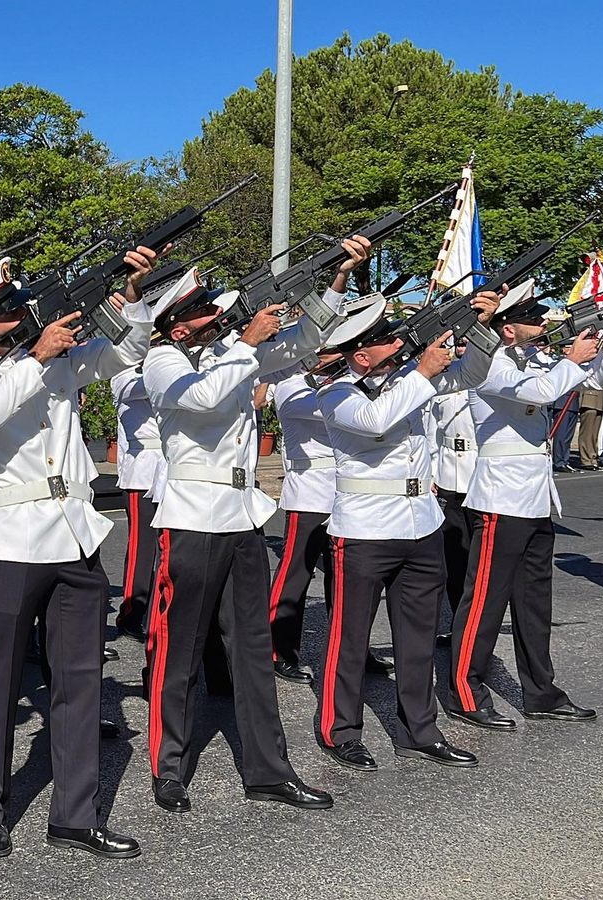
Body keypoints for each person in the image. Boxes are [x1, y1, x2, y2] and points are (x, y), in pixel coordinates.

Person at [0, 243, 159, 861]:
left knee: (82, 680)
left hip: (75, 533)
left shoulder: (57, 359)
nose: (22, 312)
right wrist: (36, 356)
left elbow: (126, 349)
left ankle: (75, 814)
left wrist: (133, 293)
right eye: (6, 308)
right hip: (12, 538)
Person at [141, 244, 362, 815]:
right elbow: (205, 401)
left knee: (253, 648)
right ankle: (169, 767)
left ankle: (268, 769)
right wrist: (245, 343)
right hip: (191, 517)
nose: (218, 318)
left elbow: (305, 342)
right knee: (179, 648)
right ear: (175, 324)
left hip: (241, 513)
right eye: (204, 314)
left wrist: (335, 280)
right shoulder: (163, 360)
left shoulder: (229, 353)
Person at [315, 285, 500, 771]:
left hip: (422, 525)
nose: (399, 345)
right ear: (360, 353)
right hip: (363, 530)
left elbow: (473, 374)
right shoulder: (335, 393)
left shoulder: (410, 380)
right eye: (386, 340)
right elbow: (377, 422)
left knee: (417, 638)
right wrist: (421, 370)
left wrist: (479, 327)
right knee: (349, 638)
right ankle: (340, 729)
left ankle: (419, 728)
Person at [447, 290, 603, 731]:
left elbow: (594, 380)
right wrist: (575, 357)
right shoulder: (489, 363)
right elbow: (544, 391)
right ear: (507, 328)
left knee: (533, 602)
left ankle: (541, 692)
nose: (542, 324)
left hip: (534, 496)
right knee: (483, 603)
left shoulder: (534, 359)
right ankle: (464, 691)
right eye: (530, 319)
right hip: (499, 498)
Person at [269, 295, 384, 684]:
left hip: (348, 491)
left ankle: (354, 648)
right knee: (295, 575)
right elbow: (333, 412)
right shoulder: (290, 385)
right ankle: (278, 648)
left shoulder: (343, 384)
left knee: (348, 579)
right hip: (311, 492)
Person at [111, 362, 162, 643]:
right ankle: (131, 613)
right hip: (140, 473)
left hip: (169, 469)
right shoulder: (123, 373)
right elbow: (143, 387)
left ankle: (158, 608)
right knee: (142, 550)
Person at [430, 356, 478, 631]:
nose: (461, 348)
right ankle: (460, 625)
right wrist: (433, 471)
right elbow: (431, 431)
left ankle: (477, 624)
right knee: (454, 557)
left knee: (478, 558)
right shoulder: (443, 380)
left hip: (477, 475)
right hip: (448, 475)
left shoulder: (486, 376)